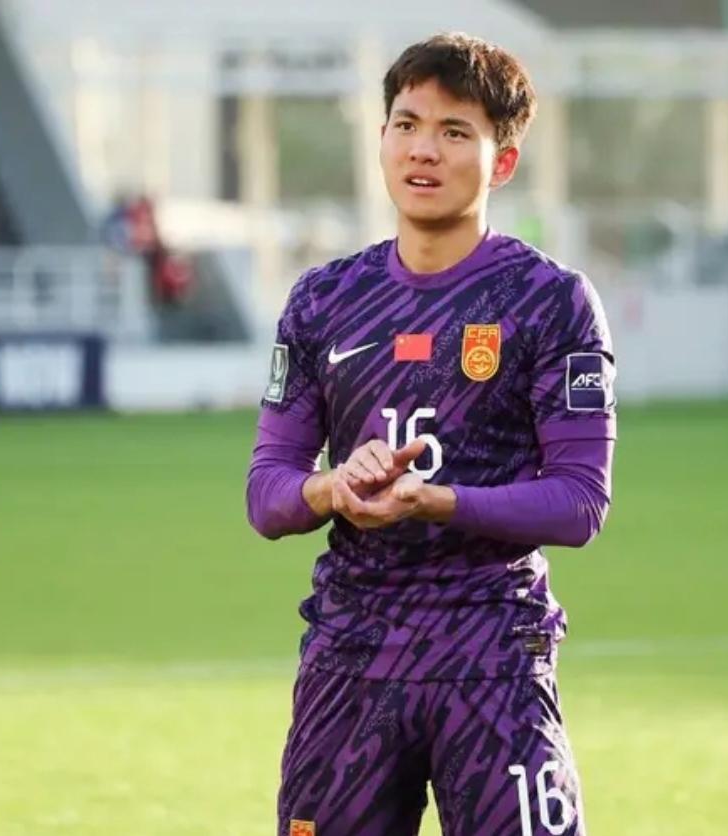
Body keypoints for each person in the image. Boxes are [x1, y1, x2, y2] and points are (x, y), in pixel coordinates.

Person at [246, 33, 615, 836]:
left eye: (454, 131)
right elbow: (267, 493)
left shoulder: (550, 301)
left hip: (493, 655)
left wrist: (439, 501)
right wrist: (332, 487)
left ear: (502, 161)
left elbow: (579, 502)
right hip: (353, 656)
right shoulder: (323, 301)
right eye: (406, 124)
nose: (423, 149)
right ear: (381, 137)